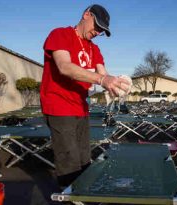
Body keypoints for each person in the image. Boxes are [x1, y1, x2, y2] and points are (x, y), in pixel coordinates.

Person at [40, 4, 130, 189]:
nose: (97, 32)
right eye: (97, 26)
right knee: (69, 161)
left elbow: (103, 74)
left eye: (102, 31)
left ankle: (84, 194)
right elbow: (64, 67)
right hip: (59, 105)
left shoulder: (94, 49)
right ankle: (70, 196)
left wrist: (118, 85)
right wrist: (102, 79)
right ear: (86, 14)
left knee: (84, 158)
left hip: (81, 107)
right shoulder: (60, 34)